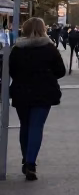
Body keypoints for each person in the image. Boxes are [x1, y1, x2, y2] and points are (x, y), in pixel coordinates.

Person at [7, 17, 66, 181]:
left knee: (24, 126)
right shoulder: (49, 48)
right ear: (43, 29)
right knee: (36, 126)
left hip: (21, 91)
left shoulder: (17, 49)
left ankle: (26, 158)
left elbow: (11, 71)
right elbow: (60, 71)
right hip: (44, 92)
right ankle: (31, 163)